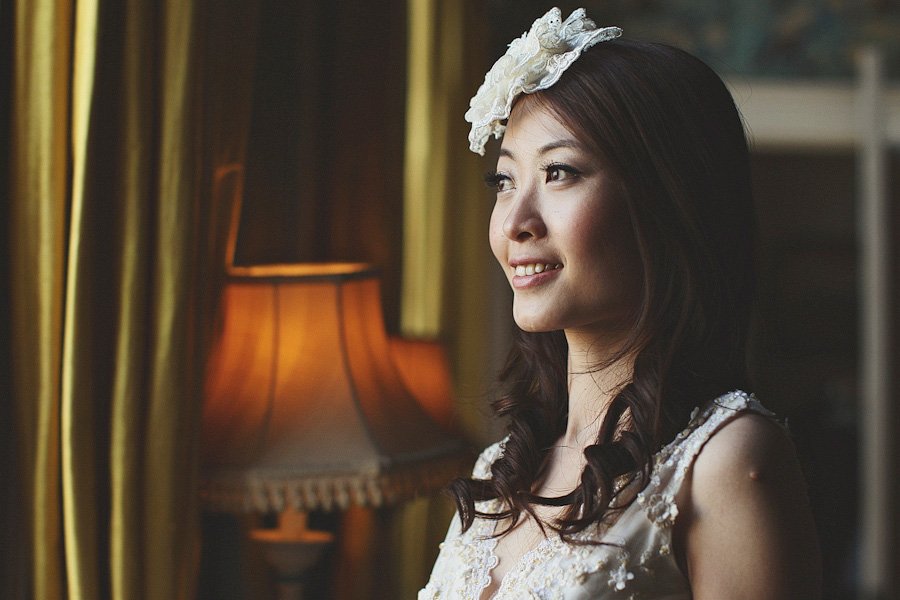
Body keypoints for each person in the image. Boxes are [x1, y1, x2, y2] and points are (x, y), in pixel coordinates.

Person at [418, 7, 822, 600]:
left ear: (665, 201)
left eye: (559, 172)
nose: (514, 222)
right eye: (504, 181)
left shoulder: (725, 459)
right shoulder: (499, 472)